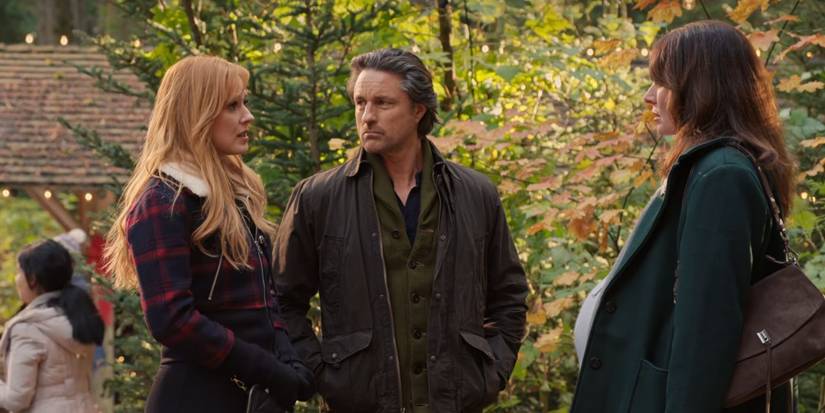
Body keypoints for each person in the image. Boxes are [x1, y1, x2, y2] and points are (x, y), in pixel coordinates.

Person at [273, 48, 528, 413]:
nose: (367, 116)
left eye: (383, 103)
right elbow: (282, 300)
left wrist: (491, 373)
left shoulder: (475, 194)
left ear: (418, 110)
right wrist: (323, 375)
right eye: (360, 103)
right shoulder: (318, 198)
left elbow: (509, 295)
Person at [571, 21, 796, 412]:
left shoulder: (722, 176)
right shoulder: (712, 168)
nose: (649, 96)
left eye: (662, 83)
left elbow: (706, 333)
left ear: (700, 88)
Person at [103, 55, 313, 412]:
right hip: (194, 398)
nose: (248, 116)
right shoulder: (163, 200)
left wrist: (289, 360)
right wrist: (267, 369)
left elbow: (265, 301)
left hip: (247, 397)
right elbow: (172, 320)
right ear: (196, 114)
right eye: (232, 106)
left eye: (244, 102)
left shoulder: (232, 197)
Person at [0, 239, 104, 412]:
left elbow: (16, 400)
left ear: (32, 279)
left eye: (19, 272)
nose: (16, 278)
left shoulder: (27, 328)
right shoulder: (79, 316)